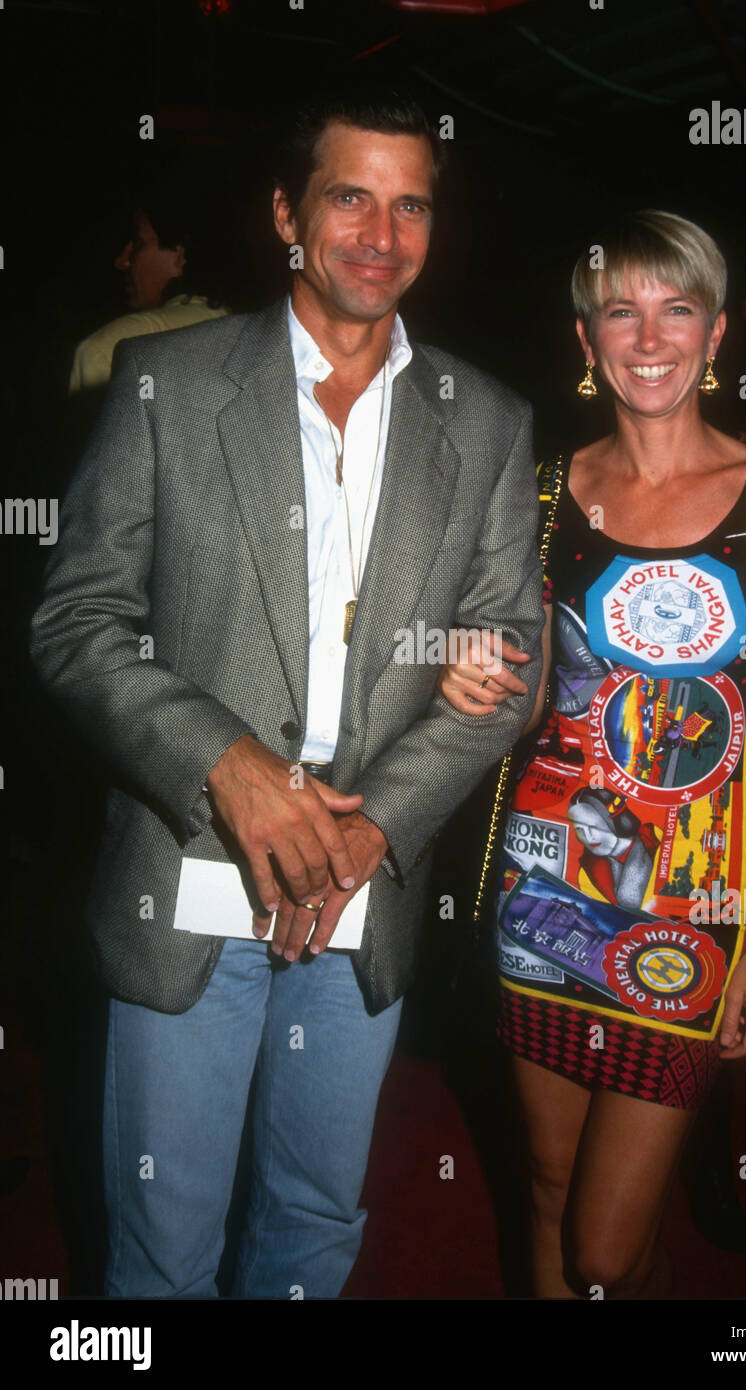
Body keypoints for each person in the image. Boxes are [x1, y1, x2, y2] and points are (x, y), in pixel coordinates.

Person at [30, 86, 544, 1299]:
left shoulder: (489, 424)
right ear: (284, 214)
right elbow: (76, 622)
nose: (380, 232)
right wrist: (229, 765)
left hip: (365, 894)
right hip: (190, 870)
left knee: (315, 1225)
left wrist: (366, 827)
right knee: (161, 1246)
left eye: (408, 202)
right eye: (348, 196)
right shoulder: (164, 381)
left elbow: (503, 664)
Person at [439, 210, 746, 1298]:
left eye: (677, 308)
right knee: (541, 1186)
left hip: (696, 915)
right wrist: (470, 678)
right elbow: (527, 707)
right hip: (542, 888)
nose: (649, 334)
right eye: (621, 309)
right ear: (586, 340)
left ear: (714, 336)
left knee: (607, 1253)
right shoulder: (533, 495)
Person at [68, 170, 232, 396]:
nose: (122, 261)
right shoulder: (254, 331)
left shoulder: (109, 349)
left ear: (179, 254)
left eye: (138, 243)